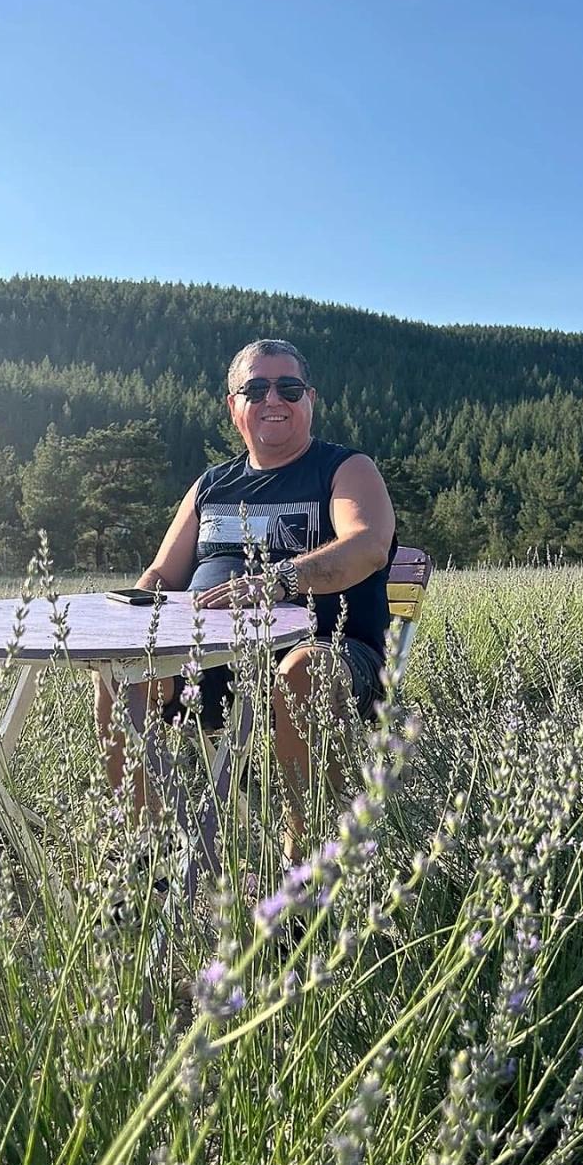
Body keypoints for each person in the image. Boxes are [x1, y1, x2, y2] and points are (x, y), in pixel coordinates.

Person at [96, 338, 397, 863]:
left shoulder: (345, 470)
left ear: (310, 400)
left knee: (303, 671)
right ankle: (148, 854)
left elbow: (368, 545)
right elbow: (162, 574)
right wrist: (131, 620)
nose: (272, 399)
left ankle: (304, 869)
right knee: (119, 674)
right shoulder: (211, 485)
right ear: (233, 406)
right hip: (210, 663)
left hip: (329, 653)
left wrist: (278, 581)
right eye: (255, 389)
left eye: (289, 388)